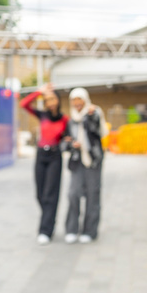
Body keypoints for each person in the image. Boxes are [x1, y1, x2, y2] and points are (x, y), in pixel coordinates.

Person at [20, 83, 68, 246]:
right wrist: (39, 92)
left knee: (50, 194)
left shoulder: (64, 119)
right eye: (47, 100)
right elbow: (23, 104)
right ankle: (50, 220)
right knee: (40, 194)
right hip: (41, 155)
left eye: (53, 98)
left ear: (58, 100)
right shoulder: (42, 116)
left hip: (55, 155)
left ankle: (45, 230)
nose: (51, 102)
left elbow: (69, 137)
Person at [63, 88, 108, 244]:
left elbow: (101, 133)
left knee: (92, 195)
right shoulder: (71, 120)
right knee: (73, 194)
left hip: (93, 161)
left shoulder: (94, 113)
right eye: (74, 100)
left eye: (79, 99)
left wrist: (92, 117)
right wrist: (71, 144)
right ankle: (71, 229)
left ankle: (90, 231)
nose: (77, 103)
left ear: (85, 99)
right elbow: (66, 140)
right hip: (77, 161)